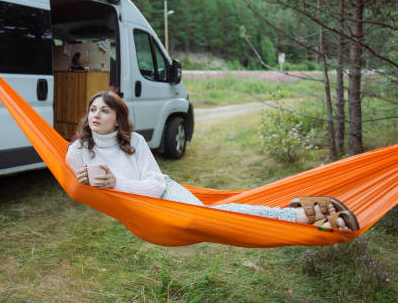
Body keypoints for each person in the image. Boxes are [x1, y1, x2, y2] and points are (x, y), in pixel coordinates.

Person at [65, 91, 359, 231]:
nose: (95, 115)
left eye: (105, 111)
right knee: (213, 215)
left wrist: (118, 182)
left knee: (206, 217)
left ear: (118, 119)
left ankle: (297, 216)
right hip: (141, 214)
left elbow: (155, 185)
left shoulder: (135, 142)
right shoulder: (77, 151)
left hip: (162, 194)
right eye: (92, 109)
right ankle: (303, 215)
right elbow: (75, 190)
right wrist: (83, 186)